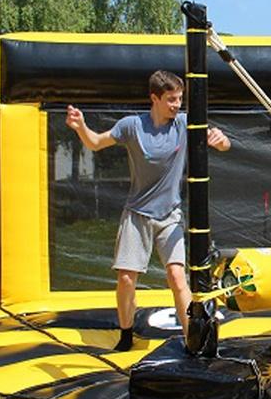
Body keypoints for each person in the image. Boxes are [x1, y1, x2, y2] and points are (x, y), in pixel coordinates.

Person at [65, 70, 230, 351]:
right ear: (154, 98)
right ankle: (126, 334)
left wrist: (220, 139)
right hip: (138, 214)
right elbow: (95, 143)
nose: (177, 104)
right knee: (127, 278)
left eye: (180, 99)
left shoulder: (184, 124)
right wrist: (80, 126)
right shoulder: (132, 126)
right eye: (171, 99)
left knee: (178, 277)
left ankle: (193, 340)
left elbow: (225, 144)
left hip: (170, 215)